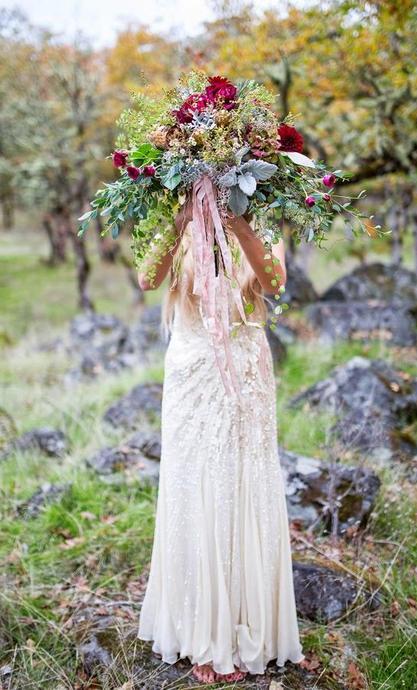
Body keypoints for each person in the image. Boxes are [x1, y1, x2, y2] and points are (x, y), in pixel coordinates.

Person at [136, 197, 307, 684]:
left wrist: (241, 226)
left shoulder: (262, 217)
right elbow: (148, 278)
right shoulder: (178, 213)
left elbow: (274, 282)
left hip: (247, 364)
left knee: (243, 481)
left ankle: (249, 623)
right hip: (192, 370)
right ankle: (200, 632)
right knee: (196, 483)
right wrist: (180, 223)